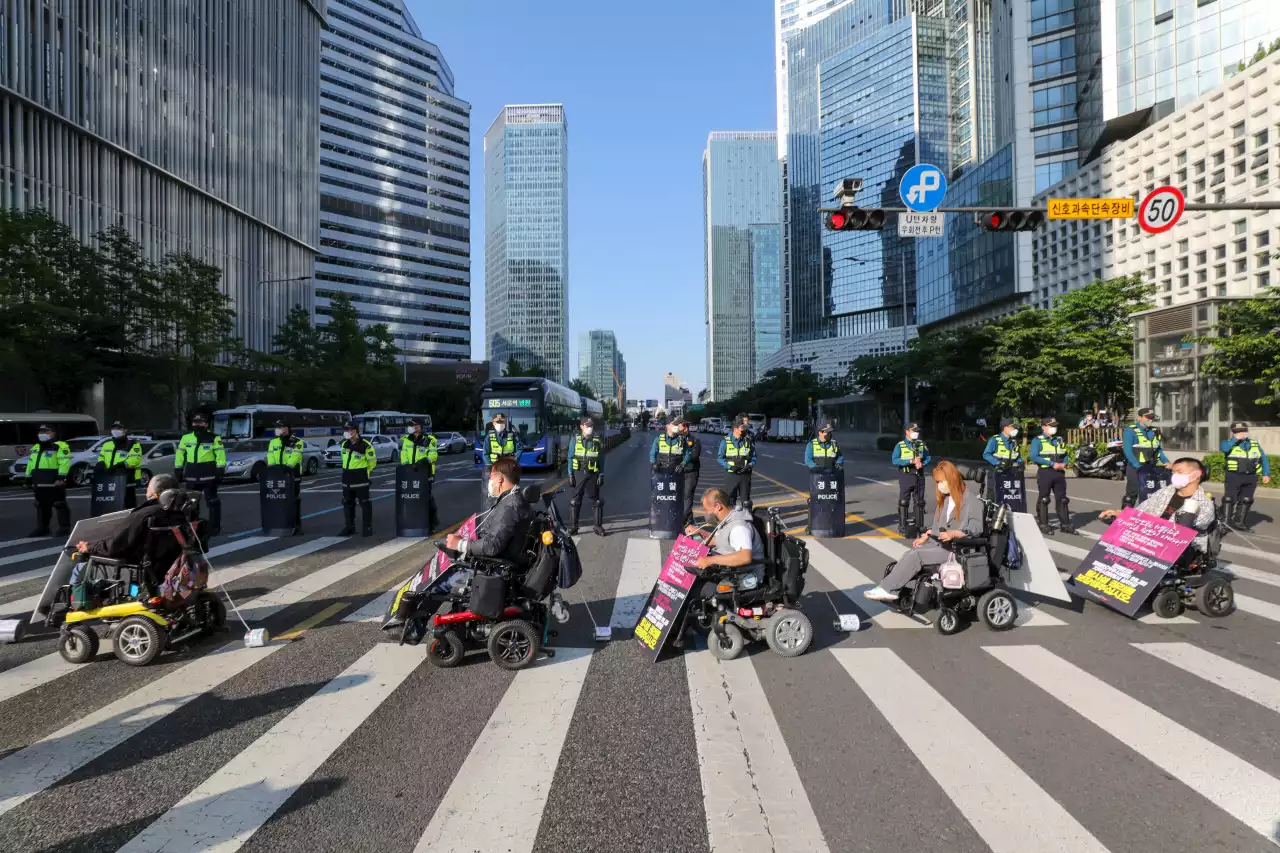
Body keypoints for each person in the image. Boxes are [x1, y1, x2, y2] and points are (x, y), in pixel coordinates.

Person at [865, 460, 984, 601]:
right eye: (938, 482)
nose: (939, 486)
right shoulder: (945, 501)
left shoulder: (973, 501)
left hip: (956, 549)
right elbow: (936, 528)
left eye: (942, 481)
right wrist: (925, 536)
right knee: (910, 553)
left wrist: (955, 533)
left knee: (916, 556)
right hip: (939, 544)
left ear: (952, 479)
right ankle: (893, 588)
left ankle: (888, 589)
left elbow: (976, 527)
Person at [674, 487, 766, 647]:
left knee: (696, 589)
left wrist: (709, 561)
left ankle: (680, 628)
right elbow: (722, 541)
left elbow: (745, 556)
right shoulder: (727, 520)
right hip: (731, 570)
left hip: (745, 576)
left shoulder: (739, 527)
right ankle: (679, 622)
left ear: (718, 506)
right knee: (688, 576)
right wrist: (700, 533)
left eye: (706, 508)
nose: (705, 512)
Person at [75, 474, 185, 587]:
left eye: (148, 488)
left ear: (154, 493)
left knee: (79, 568)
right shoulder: (185, 514)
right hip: (176, 571)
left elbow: (115, 546)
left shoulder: (143, 515)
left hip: (142, 573)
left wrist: (89, 547)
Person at [1101, 458, 1216, 551]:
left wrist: (1146, 528)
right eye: (1173, 472)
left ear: (1195, 475)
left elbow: (1180, 533)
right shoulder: (1166, 491)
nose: (1174, 476)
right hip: (1151, 540)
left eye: (1179, 472)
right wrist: (1121, 514)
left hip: (1179, 550)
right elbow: (1142, 510)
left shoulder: (1204, 504)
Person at [445, 457, 531, 563]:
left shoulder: (510, 506)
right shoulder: (510, 499)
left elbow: (492, 546)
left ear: (500, 479)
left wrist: (459, 544)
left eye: (491, 478)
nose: (489, 482)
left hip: (498, 564)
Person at [176, 413, 226, 536]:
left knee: (213, 502)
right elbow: (180, 454)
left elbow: (220, 456)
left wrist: (220, 470)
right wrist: (178, 469)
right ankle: (193, 528)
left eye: (200, 422)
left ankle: (214, 528)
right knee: (191, 504)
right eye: (195, 422)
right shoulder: (186, 438)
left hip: (208, 474)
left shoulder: (214, 438)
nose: (197, 424)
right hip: (192, 474)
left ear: (206, 424)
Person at [1220, 422, 1270, 531]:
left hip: (1251, 476)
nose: (1241, 433)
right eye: (1238, 432)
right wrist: (1235, 439)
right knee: (1229, 499)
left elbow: (1263, 458)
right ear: (1233, 433)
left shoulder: (1254, 444)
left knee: (1246, 500)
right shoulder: (1228, 443)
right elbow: (1224, 449)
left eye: (1243, 431)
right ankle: (1225, 524)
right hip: (1233, 476)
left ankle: (1239, 523)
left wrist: (1266, 474)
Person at [24, 424, 72, 537]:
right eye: (41, 431)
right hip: (38, 479)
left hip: (53, 479)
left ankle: (64, 528)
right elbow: (31, 463)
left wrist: (61, 477)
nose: (42, 434)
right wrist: (28, 478)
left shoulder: (60, 446)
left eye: (46, 431)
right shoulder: (36, 447)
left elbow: (64, 462)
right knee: (42, 506)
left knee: (59, 504)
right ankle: (43, 528)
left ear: (53, 433)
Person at [1030, 417, 1074, 535]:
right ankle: (1044, 524)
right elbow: (1034, 457)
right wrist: (1051, 463)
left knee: (1063, 499)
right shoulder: (1037, 440)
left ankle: (1065, 524)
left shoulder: (1058, 440)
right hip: (1046, 473)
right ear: (1044, 427)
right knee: (1044, 499)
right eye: (1051, 426)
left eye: (1055, 426)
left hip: (1059, 473)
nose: (1054, 428)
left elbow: (1065, 454)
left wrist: (1064, 463)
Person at [1121, 406, 1169, 508]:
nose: (1150, 420)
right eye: (1147, 418)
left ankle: (1148, 518)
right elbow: (1127, 451)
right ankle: (1124, 518)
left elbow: (1158, 450)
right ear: (1139, 417)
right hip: (1136, 467)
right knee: (1132, 493)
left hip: (1152, 466)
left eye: (1151, 418)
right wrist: (1137, 465)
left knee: (1152, 493)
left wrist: (1167, 462)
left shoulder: (1154, 431)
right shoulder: (1130, 431)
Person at [400, 418, 439, 532]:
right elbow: (403, 455)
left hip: (425, 473)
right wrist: (406, 466)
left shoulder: (429, 440)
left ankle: (431, 524)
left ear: (419, 426)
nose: (411, 427)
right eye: (410, 425)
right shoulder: (407, 440)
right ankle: (416, 522)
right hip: (411, 474)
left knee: (426, 499)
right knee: (412, 499)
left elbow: (433, 456)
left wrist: (423, 461)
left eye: (414, 425)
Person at [568, 417, 606, 537]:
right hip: (579, 473)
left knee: (597, 502)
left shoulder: (597, 441)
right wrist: (570, 474)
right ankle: (574, 527)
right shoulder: (575, 440)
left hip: (593, 474)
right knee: (575, 501)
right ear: (581, 427)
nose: (590, 428)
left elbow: (601, 459)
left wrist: (601, 474)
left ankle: (598, 526)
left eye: (591, 425)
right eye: (587, 425)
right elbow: (570, 457)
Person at [267, 420, 306, 535]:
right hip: (278, 475)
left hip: (292, 474)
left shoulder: (297, 442)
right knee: (279, 501)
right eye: (276, 427)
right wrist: (273, 469)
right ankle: (282, 525)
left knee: (293, 501)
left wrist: (288, 467)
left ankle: (296, 526)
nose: (276, 430)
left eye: (279, 427)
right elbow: (270, 456)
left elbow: (296, 456)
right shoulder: (273, 442)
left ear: (286, 428)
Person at [338, 421, 377, 537]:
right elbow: (343, 460)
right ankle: (349, 527)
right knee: (347, 503)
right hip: (347, 479)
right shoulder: (344, 444)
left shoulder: (365, 445)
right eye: (345, 430)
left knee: (365, 504)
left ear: (355, 431)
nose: (346, 432)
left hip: (361, 480)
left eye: (348, 430)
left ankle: (367, 527)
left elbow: (372, 462)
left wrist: (365, 474)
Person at [891, 422, 930, 535]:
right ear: (907, 431)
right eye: (914, 431)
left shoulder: (921, 444)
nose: (916, 433)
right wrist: (910, 461)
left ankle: (920, 525)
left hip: (919, 475)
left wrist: (923, 464)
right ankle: (903, 526)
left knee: (920, 501)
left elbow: (928, 457)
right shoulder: (900, 445)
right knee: (904, 501)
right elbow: (895, 460)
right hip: (906, 475)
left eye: (917, 431)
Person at [95, 421, 143, 509]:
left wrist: (120, 466)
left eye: (119, 428)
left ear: (125, 430)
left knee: (129, 505)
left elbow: (135, 460)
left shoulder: (133, 444)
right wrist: (100, 464)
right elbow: (101, 457)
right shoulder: (107, 445)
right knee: (111, 505)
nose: (115, 430)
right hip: (109, 478)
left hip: (127, 478)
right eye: (114, 428)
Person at [481, 413, 524, 502]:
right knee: (491, 493)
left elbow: (519, 448)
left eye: (502, 422)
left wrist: (514, 462)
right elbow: (485, 453)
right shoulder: (489, 437)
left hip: (508, 468)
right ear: (493, 423)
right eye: (498, 422)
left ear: (505, 423)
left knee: (511, 492)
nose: (500, 424)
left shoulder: (511, 436)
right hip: (493, 468)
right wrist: (491, 468)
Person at [718, 415, 757, 510]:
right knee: (730, 500)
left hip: (745, 475)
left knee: (746, 501)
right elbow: (720, 458)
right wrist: (729, 467)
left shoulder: (748, 441)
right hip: (731, 475)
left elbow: (754, 456)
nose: (743, 429)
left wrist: (750, 465)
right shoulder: (725, 442)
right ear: (735, 428)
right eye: (742, 427)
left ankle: (748, 521)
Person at [982, 418, 1024, 501]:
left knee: (1010, 496)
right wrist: (998, 463)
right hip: (996, 472)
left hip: (1010, 473)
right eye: (1013, 427)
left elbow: (1017, 456)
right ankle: (990, 514)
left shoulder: (1014, 442)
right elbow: (986, 454)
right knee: (993, 497)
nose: (1015, 430)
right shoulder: (995, 440)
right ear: (1005, 428)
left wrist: (1020, 462)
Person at [680, 421, 702, 525]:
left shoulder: (694, 440)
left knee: (687, 494)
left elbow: (694, 455)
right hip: (678, 472)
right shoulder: (676, 440)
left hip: (691, 472)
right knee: (678, 495)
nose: (680, 430)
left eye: (681, 428)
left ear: (686, 428)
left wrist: (683, 459)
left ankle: (685, 519)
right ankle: (687, 515)